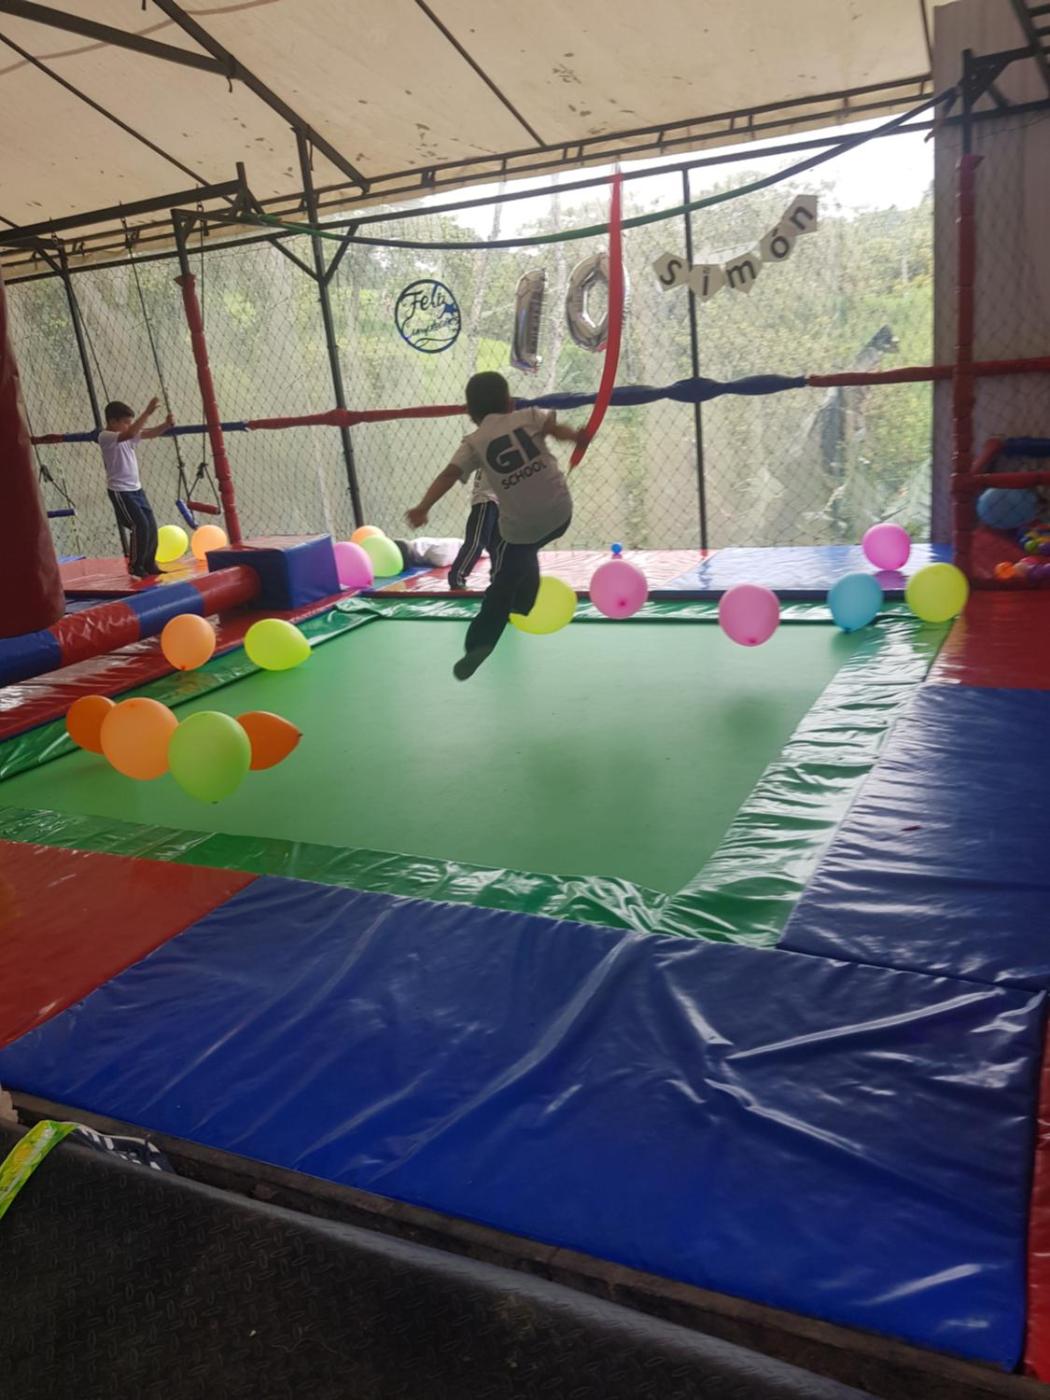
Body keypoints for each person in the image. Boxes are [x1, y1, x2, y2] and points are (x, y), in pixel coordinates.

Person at [406, 371, 586, 680]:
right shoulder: (530, 415)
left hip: (522, 527)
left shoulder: (474, 442)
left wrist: (423, 507)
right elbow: (558, 430)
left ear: (470, 413)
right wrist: (577, 437)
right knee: (523, 552)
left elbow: (449, 475)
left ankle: (481, 642)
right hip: (559, 512)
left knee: (506, 576)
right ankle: (523, 603)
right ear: (509, 401)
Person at [98, 398, 173, 578]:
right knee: (139, 525)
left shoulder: (127, 435)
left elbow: (149, 433)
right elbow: (131, 433)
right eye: (125, 422)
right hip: (121, 491)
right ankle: (135, 566)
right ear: (112, 421)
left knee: (151, 526)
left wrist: (166, 425)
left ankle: (149, 563)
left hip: (136, 489)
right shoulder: (106, 436)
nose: (129, 426)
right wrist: (147, 412)